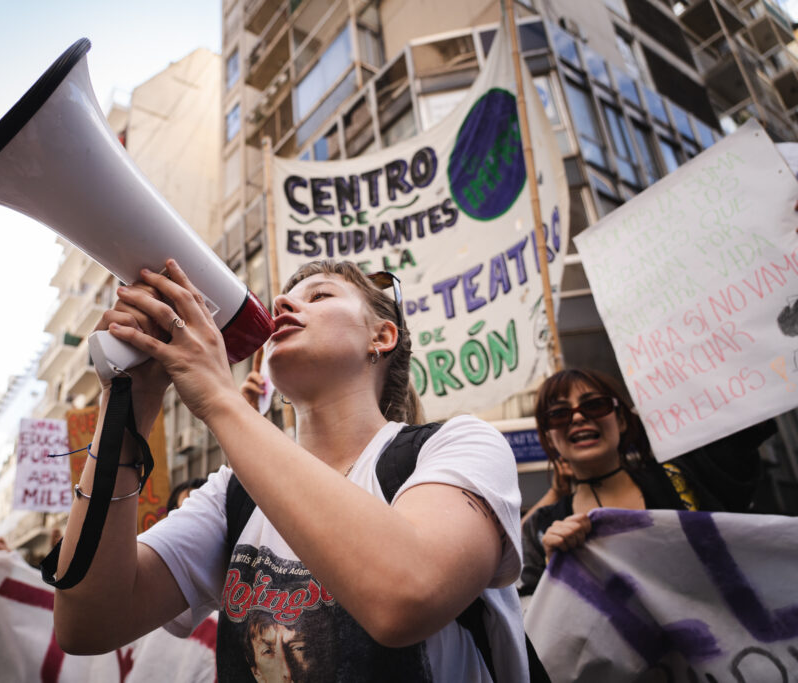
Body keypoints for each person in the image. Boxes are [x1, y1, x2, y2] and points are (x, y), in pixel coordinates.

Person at [53, 258, 527, 681]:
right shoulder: (232, 495)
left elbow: (407, 596)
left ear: (381, 337)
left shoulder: (457, 445)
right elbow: (88, 623)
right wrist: (128, 410)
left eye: (319, 295)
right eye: (286, 296)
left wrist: (219, 399)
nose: (281, 302)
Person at [519, 368, 772, 595]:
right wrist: (556, 572)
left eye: (595, 405)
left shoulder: (682, 477)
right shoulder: (542, 530)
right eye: (559, 414)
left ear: (620, 420)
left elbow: (745, 425)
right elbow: (537, 626)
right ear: (550, 438)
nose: (577, 418)